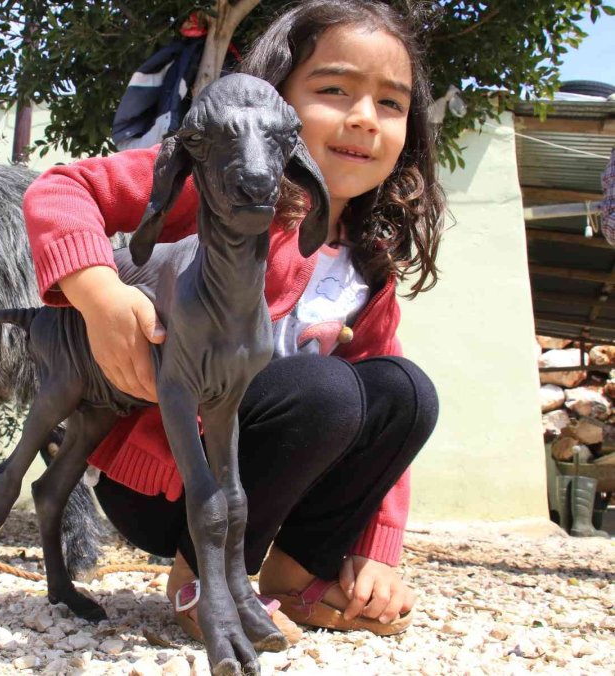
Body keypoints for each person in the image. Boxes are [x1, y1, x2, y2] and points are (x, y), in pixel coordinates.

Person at [22, 0, 443, 642]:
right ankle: (205, 576)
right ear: (275, 101)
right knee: (325, 388)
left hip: (266, 471)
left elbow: (383, 431)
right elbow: (62, 189)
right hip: (167, 477)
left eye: (390, 103)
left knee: (404, 390)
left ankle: (296, 575)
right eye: (334, 90)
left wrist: (376, 548)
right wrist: (98, 294)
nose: (364, 117)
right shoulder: (218, 181)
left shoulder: (368, 263)